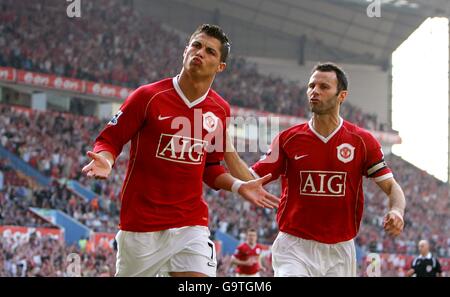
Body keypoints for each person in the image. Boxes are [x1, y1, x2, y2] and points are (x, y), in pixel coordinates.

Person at [81, 24, 279, 277]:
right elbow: (110, 139)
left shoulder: (220, 110)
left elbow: (210, 167)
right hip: (142, 226)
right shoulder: (148, 96)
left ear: (220, 67)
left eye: (210, 51)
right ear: (185, 51)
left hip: (190, 223)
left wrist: (239, 186)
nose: (200, 53)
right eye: (196, 46)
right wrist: (106, 160)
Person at [224, 62, 406, 277]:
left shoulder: (362, 141)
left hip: (340, 250)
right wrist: (225, 144)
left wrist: (397, 211)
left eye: (324, 87)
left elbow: (392, 187)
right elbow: (251, 178)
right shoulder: (287, 139)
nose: (314, 91)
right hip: (294, 246)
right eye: (311, 86)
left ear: (342, 96)